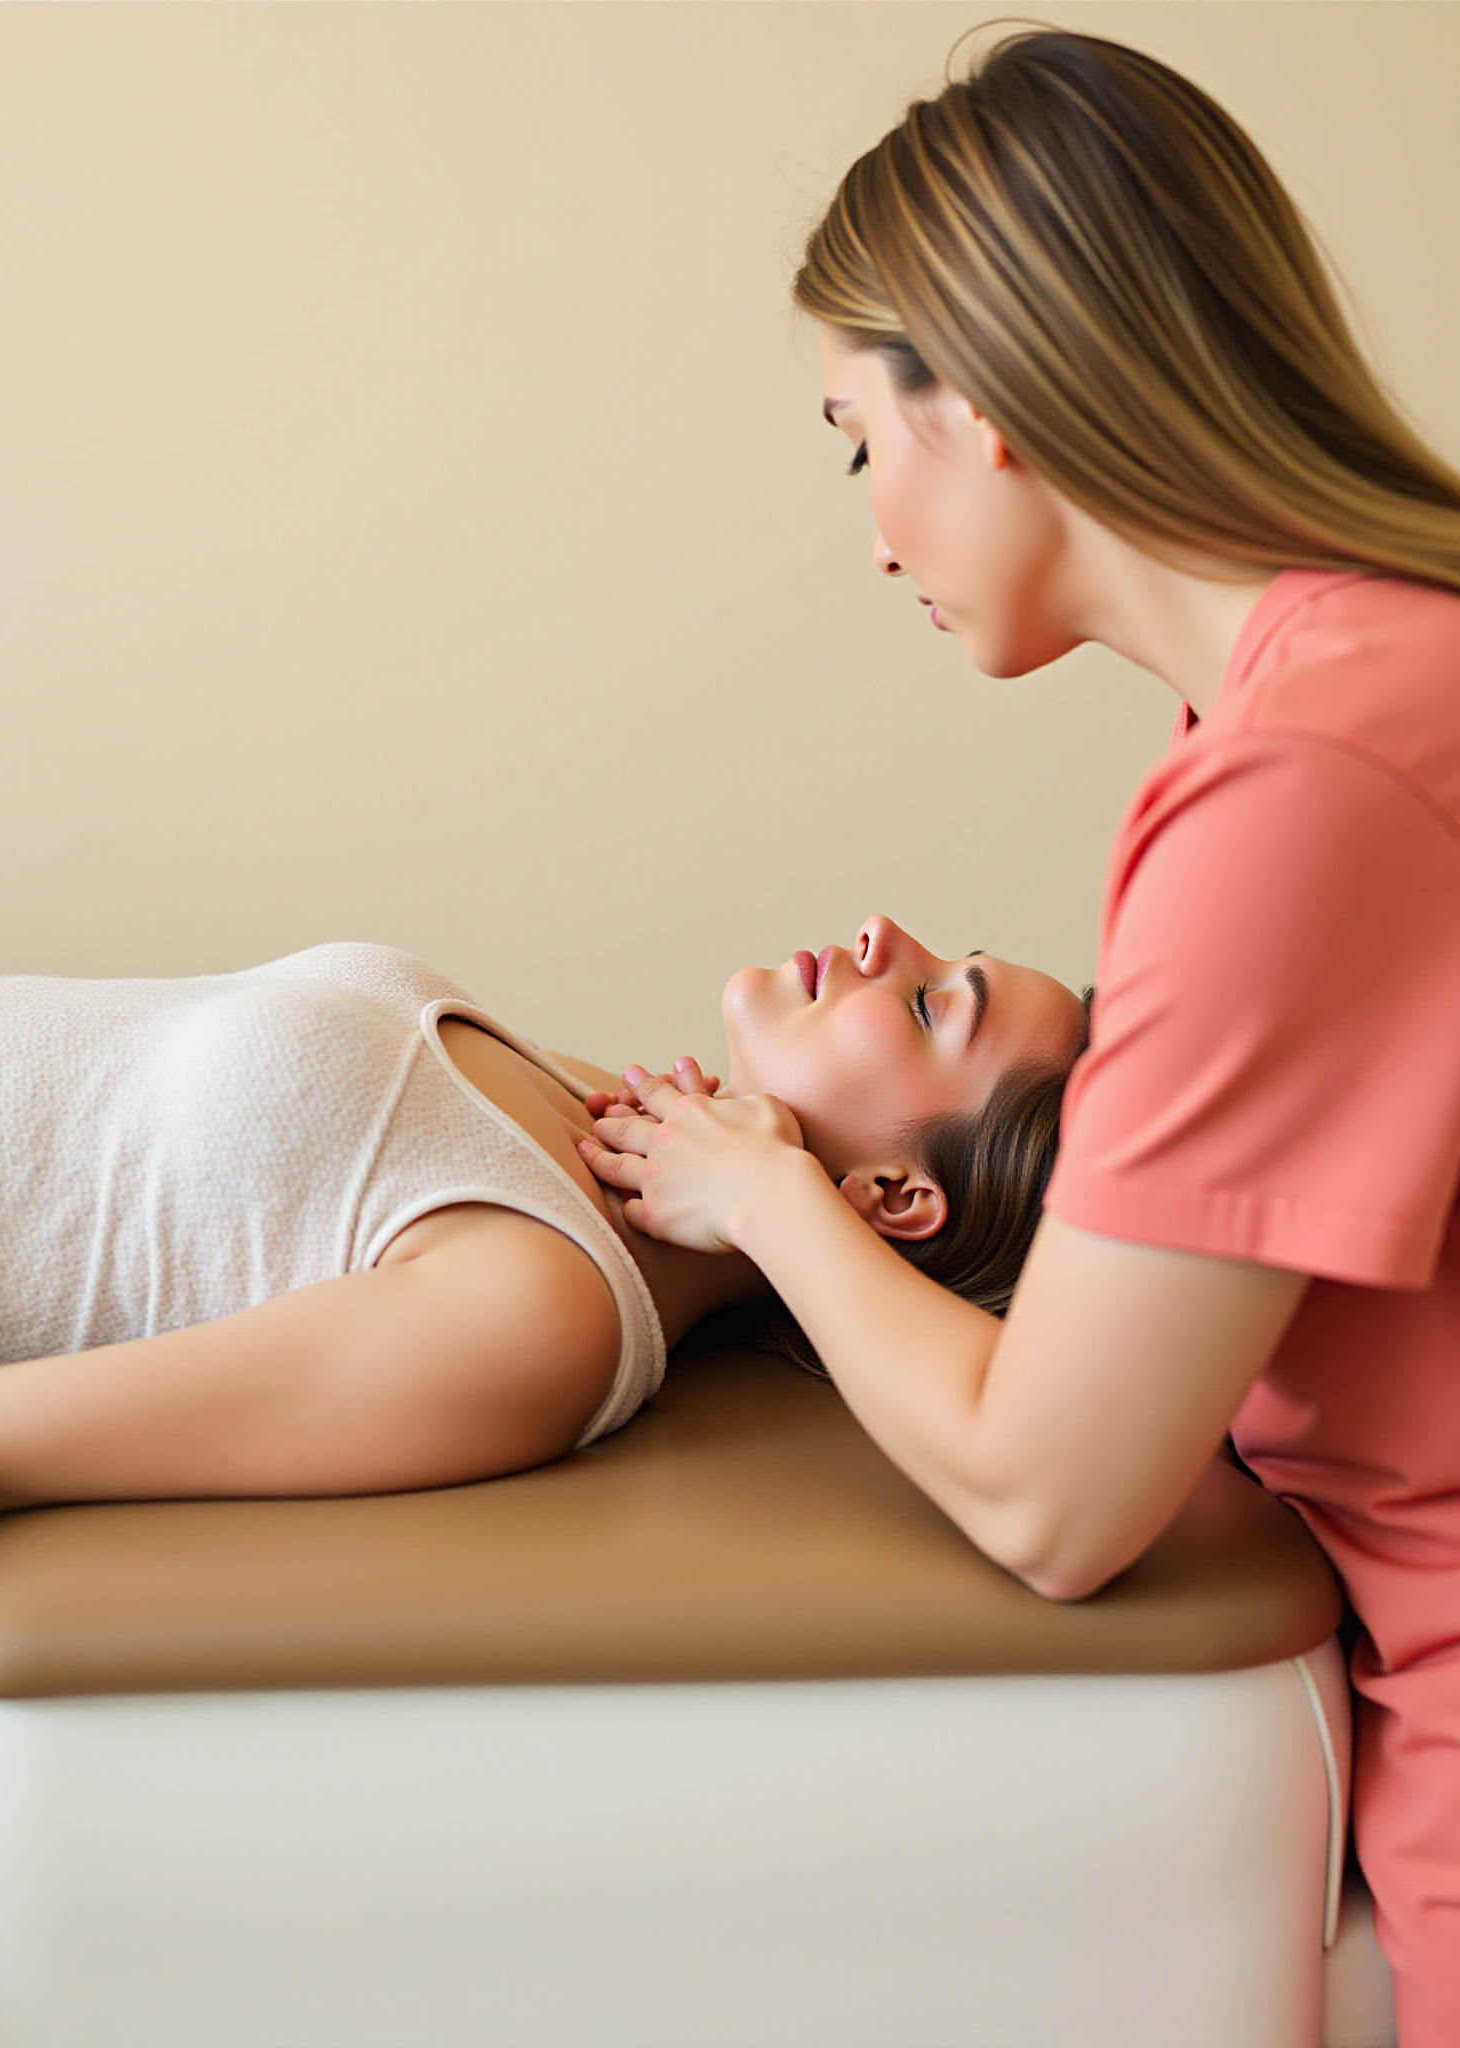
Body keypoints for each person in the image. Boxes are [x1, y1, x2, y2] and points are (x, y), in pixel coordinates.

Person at [578, 28, 1460, 2044]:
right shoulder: (1343, 703)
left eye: (848, 438)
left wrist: (771, 1198)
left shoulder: (1312, 782)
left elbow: (1056, 1499)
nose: (868, 521)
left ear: (977, 405)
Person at [0, 926, 1082, 1517]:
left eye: (934, 1002)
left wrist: (768, 1196)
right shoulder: (592, 1106)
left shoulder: (543, 1314)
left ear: (894, 1198)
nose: (884, 934)